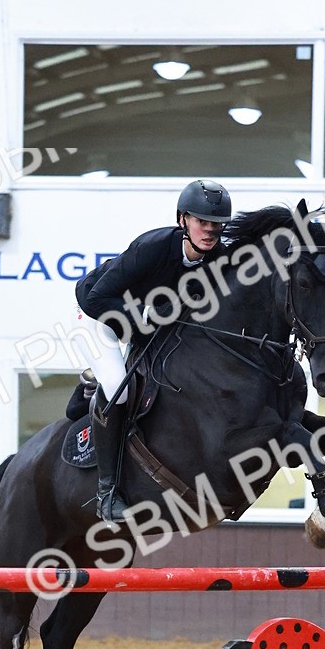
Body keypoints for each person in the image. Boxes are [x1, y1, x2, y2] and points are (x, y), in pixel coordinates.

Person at [74, 179, 232, 524]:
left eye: (216, 225)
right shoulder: (153, 246)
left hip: (149, 329)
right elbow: (97, 297)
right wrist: (145, 315)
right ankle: (107, 492)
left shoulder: (219, 257)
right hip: (98, 316)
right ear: (182, 221)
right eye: (201, 222)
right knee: (120, 389)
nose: (209, 231)